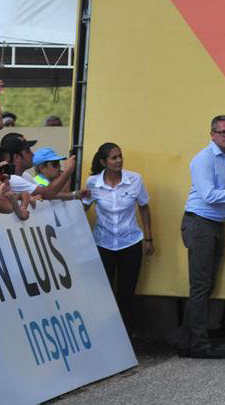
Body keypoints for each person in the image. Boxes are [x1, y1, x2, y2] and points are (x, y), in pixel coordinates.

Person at [179, 115, 225, 359]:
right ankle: (198, 345)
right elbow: (209, 195)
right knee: (200, 287)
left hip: (215, 225)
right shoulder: (203, 159)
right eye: (223, 132)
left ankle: (186, 342)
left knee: (205, 286)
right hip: (200, 223)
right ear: (212, 134)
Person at [82, 142, 154, 336]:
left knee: (127, 293)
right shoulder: (93, 183)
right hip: (103, 244)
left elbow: (144, 207)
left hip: (130, 242)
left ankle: (126, 337)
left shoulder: (135, 179)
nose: (119, 160)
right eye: (114, 158)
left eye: (120, 156)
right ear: (104, 162)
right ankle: (104, 335)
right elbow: (83, 208)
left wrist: (148, 238)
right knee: (103, 292)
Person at [0, 133, 76, 199]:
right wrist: (67, 171)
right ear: (16, 157)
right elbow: (49, 193)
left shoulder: (25, 176)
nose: (32, 154)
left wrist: (74, 195)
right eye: (27, 151)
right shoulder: (13, 179)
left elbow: (46, 194)